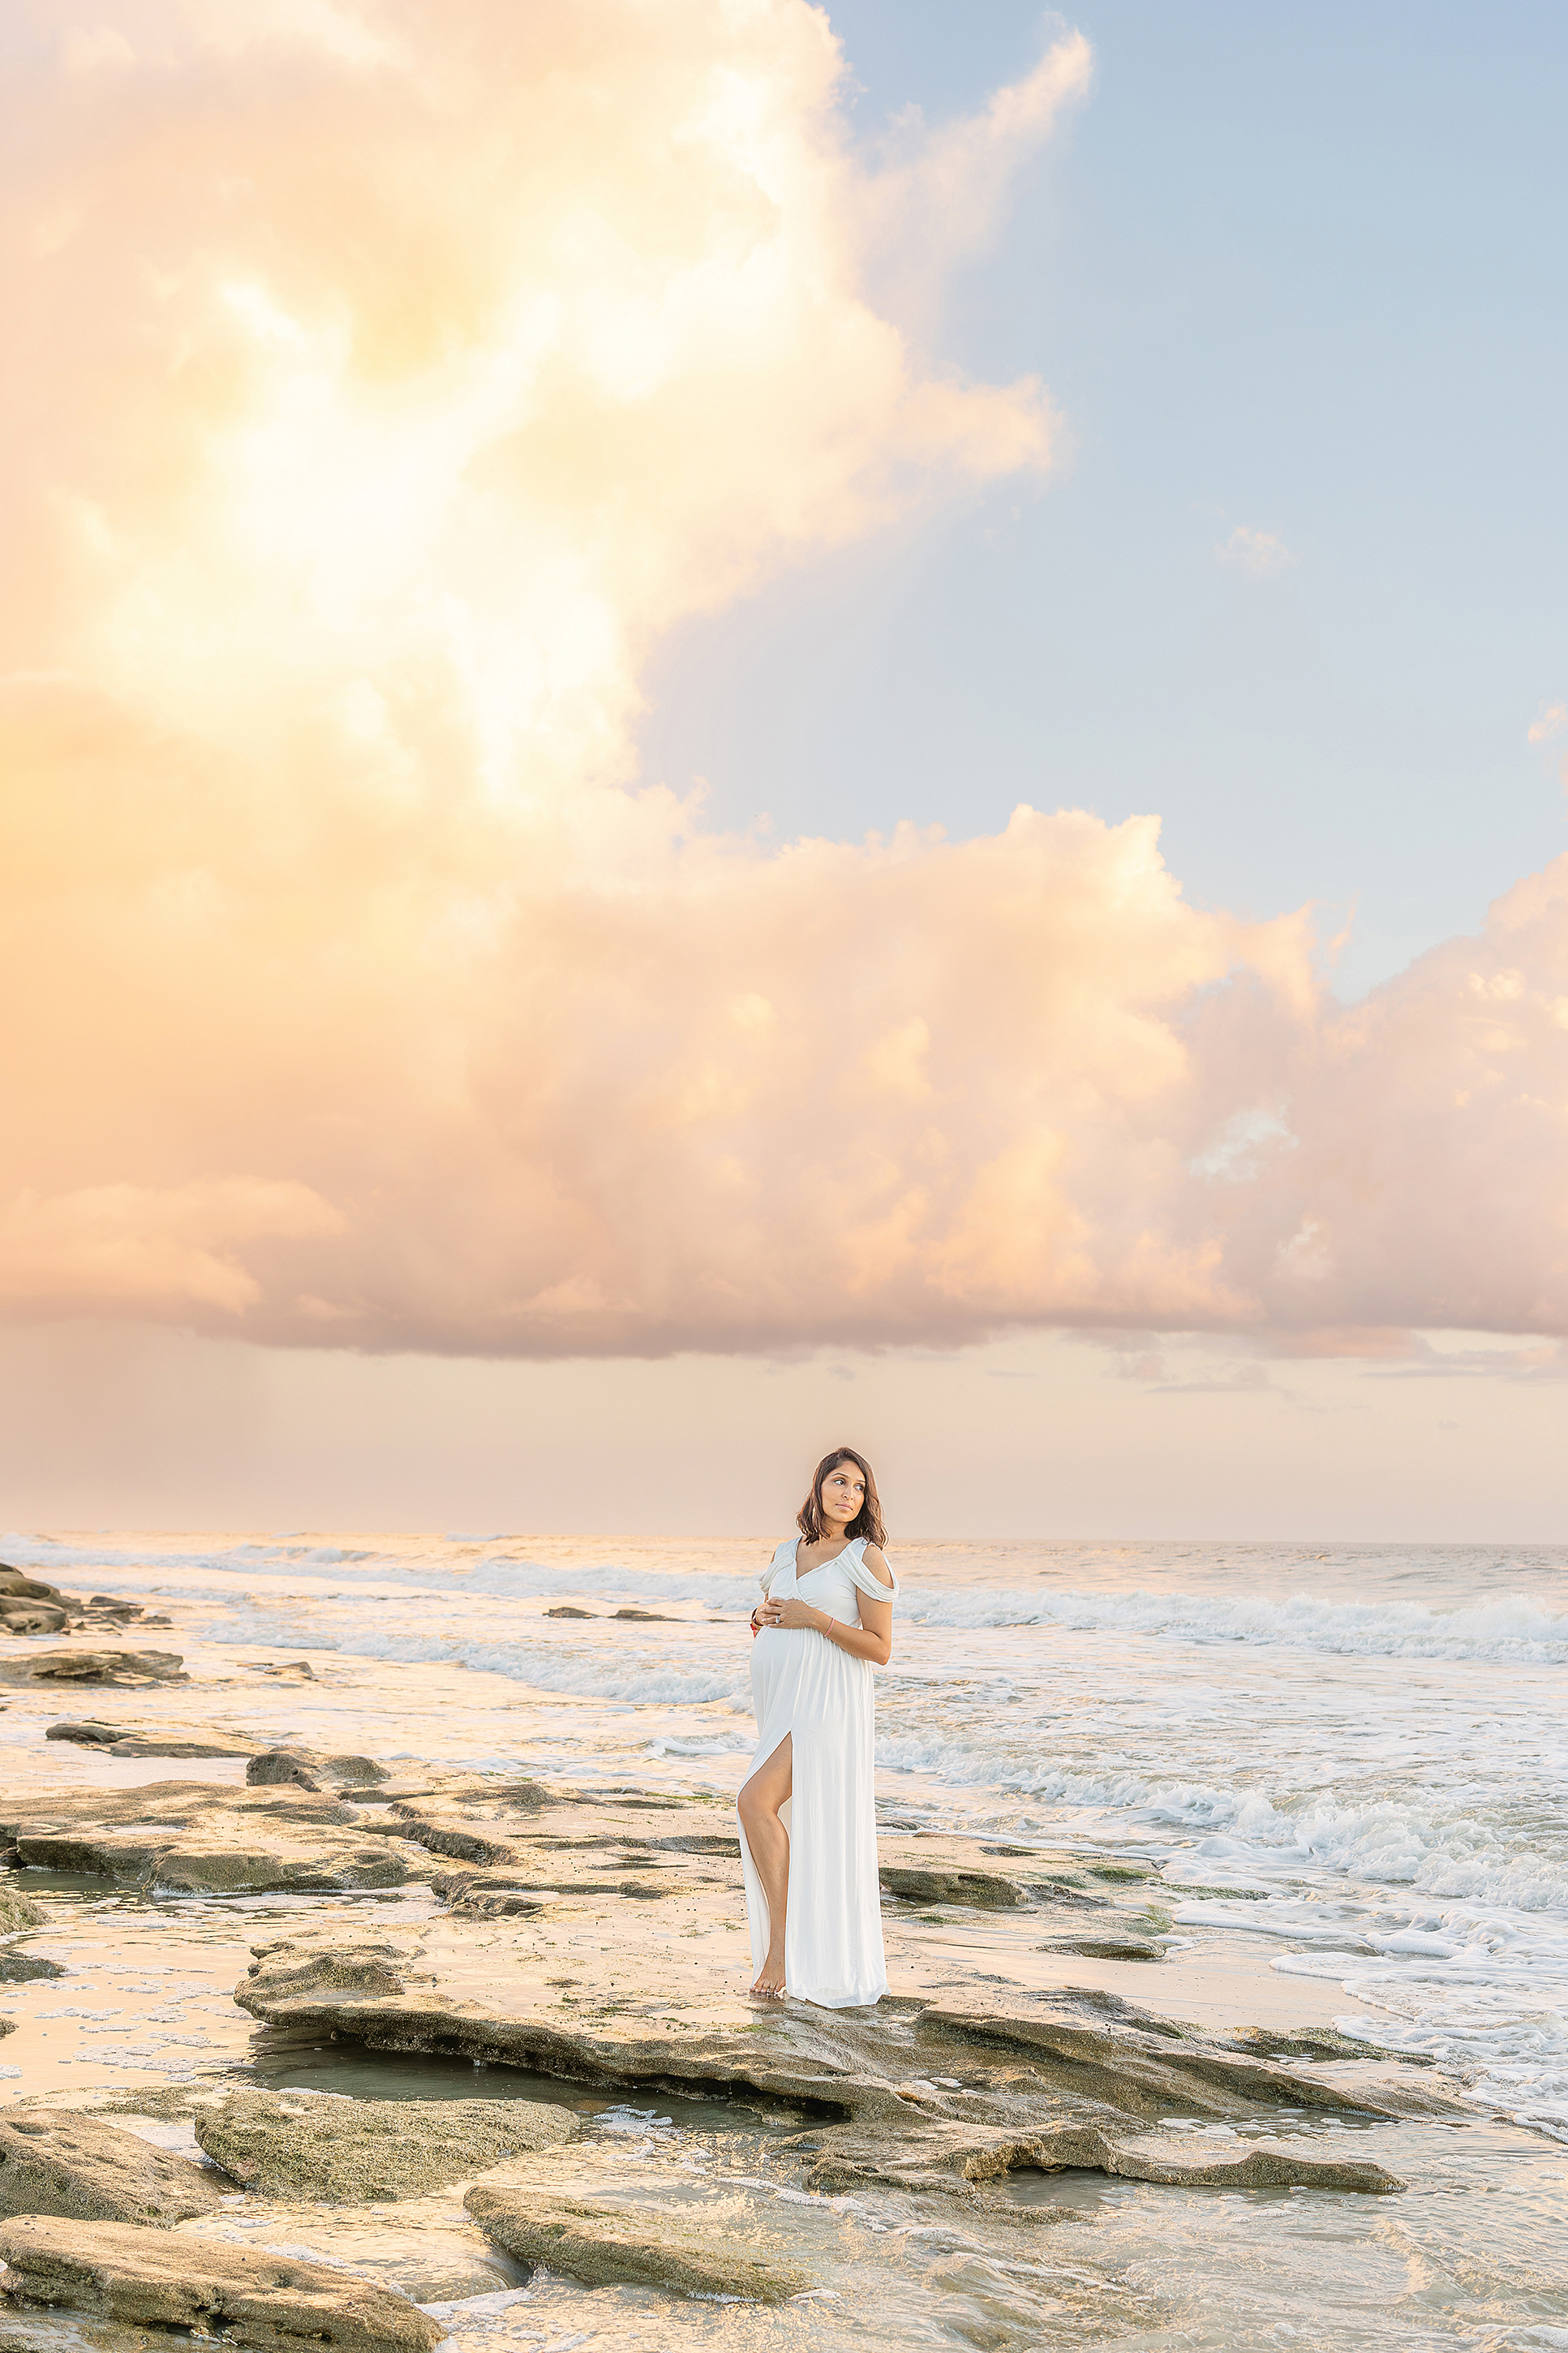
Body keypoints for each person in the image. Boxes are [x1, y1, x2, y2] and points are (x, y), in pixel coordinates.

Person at [736, 1447, 897, 2007]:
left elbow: (879, 1650)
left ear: (864, 1500)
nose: (847, 1493)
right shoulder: (787, 1552)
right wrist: (758, 1619)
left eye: (858, 1486)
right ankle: (790, 1950)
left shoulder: (864, 1558)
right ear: (817, 1487)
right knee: (771, 1812)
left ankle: (782, 1953)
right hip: (782, 1704)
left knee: (755, 1802)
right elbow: (770, 1617)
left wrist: (815, 1619)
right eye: (837, 1481)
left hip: (828, 1707)